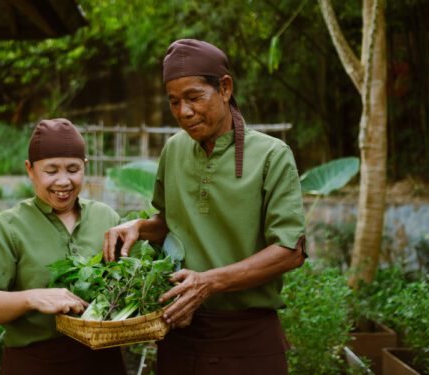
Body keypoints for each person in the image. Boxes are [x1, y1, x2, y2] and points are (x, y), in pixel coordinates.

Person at [103, 39, 306, 374]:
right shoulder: (174, 150)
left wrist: (210, 282)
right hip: (180, 337)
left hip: (249, 340)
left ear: (224, 88)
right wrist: (138, 228)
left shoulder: (271, 155)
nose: (184, 111)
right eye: (174, 101)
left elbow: (290, 250)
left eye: (194, 97)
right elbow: (170, 223)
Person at [0, 118, 126, 375]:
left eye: (73, 170)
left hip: (102, 361)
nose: (63, 181)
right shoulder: (8, 226)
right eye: (51, 171)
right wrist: (31, 298)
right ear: (30, 170)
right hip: (35, 363)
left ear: (85, 166)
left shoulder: (106, 218)